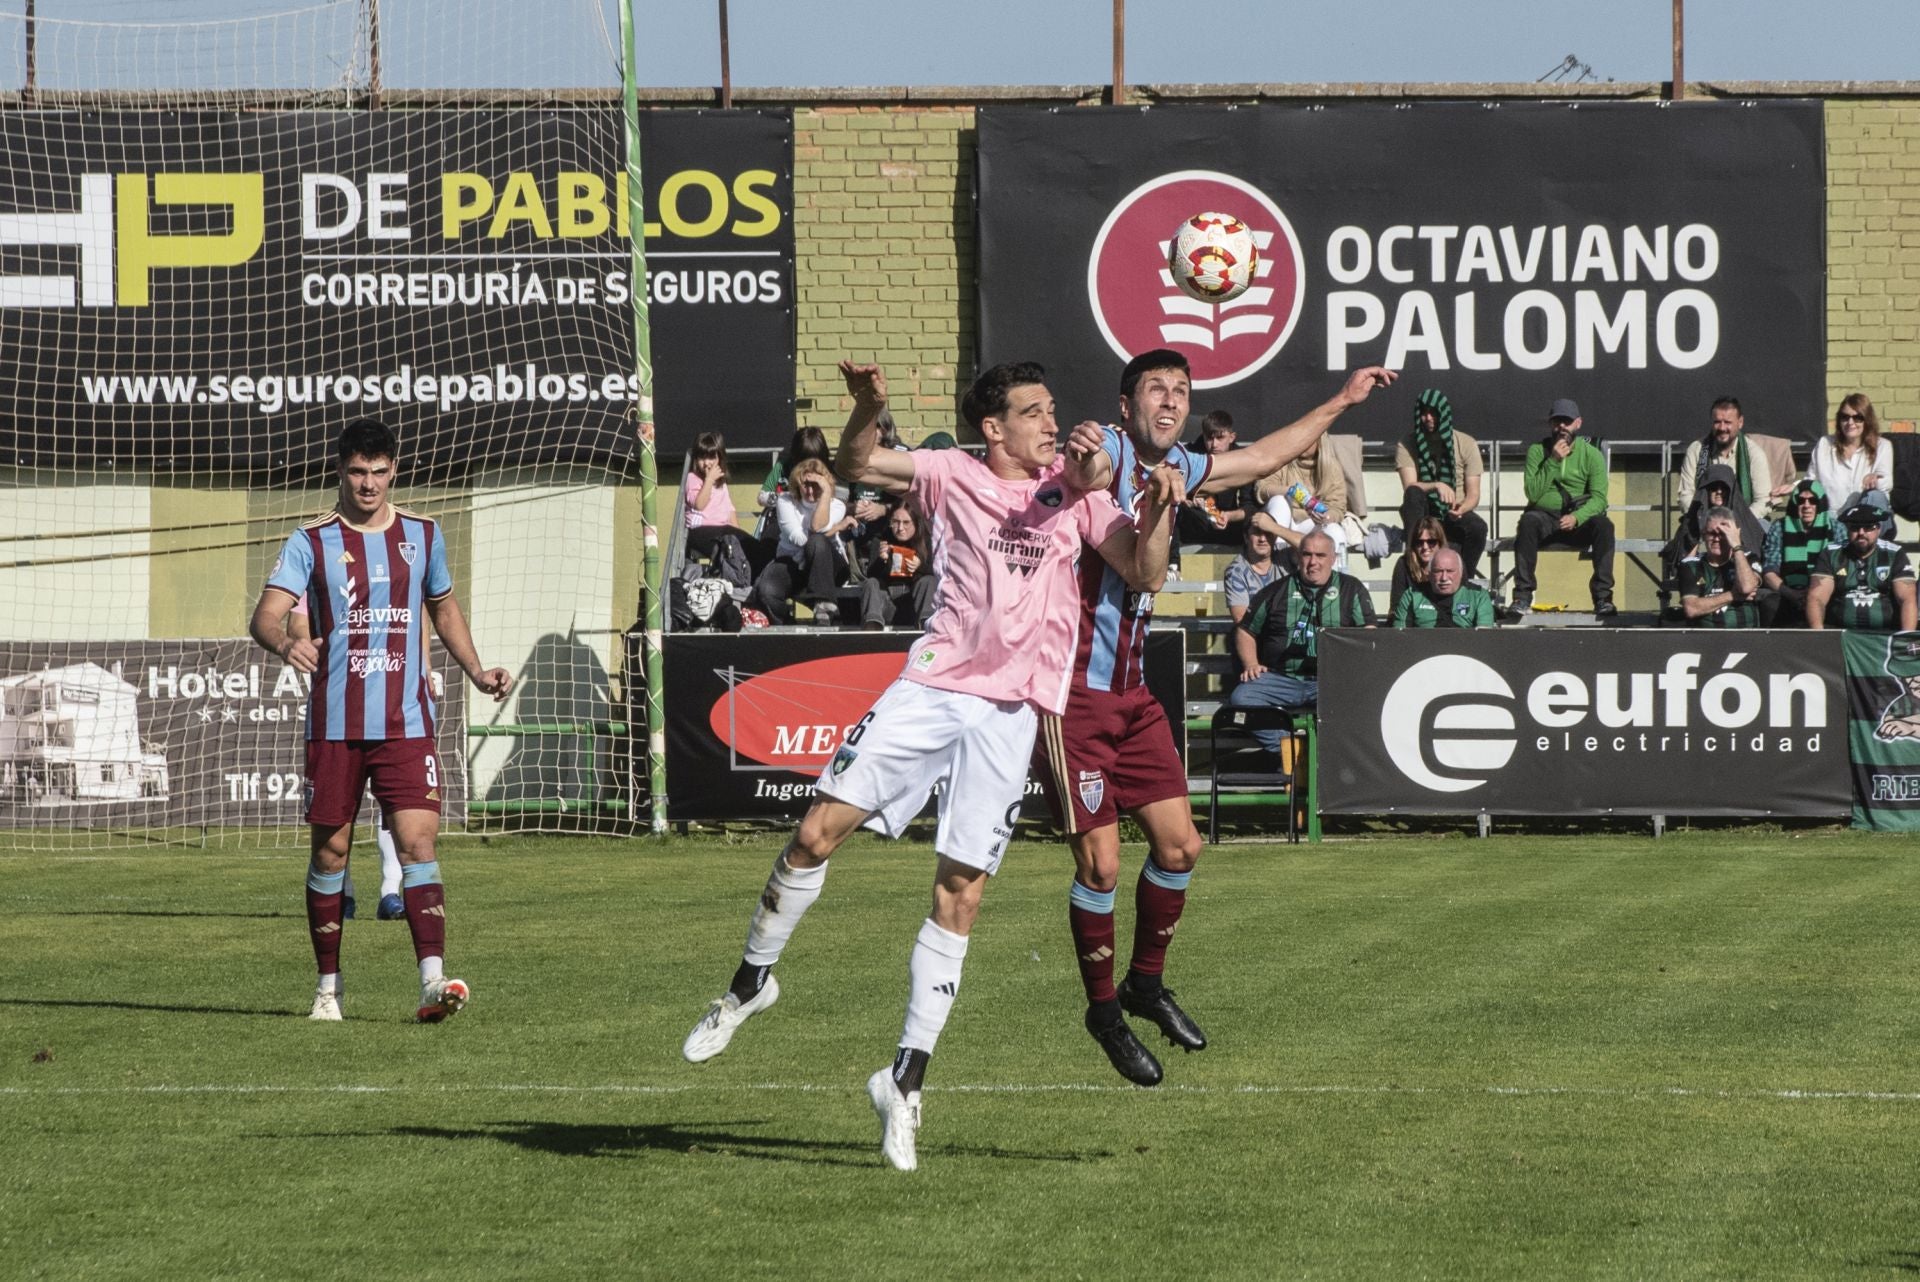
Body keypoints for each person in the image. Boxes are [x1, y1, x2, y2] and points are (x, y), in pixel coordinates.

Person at [680, 359, 1181, 1173]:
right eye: (1034, 412)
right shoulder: (951, 473)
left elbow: (1145, 570)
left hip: (1011, 714)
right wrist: (871, 406)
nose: (1051, 424)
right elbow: (854, 465)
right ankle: (748, 985)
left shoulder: (1078, 492)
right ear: (994, 428)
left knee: (962, 894)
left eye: (1052, 410)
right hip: (933, 688)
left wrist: (1155, 506)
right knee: (814, 835)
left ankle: (904, 1083)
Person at [1039, 354, 1394, 1086]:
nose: (1170, 402)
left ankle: (1144, 983)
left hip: (1132, 694)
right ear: (1125, 402)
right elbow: (1085, 471)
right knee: (1100, 863)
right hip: (1073, 696)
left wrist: (1343, 400)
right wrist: (1081, 459)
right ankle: (1103, 1011)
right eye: (1155, 390)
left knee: (1181, 849)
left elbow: (1268, 454)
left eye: (1181, 393)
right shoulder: (1110, 447)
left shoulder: (1183, 468)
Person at [249, 417, 513, 1024]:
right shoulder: (310, 541)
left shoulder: (423, 534)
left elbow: (443, 608)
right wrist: (286, 644)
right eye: (357, 471)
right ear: (340, 471)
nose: (368, 483)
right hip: (335, 724)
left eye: (378, 471)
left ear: (395, 470)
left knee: (419, 842)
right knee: (332, 855)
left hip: (407, 722)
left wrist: (475, 671)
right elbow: (266, 615)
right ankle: (327, 990)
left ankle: (432, 980)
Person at [290, 594, 405, 921]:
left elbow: (417, 615)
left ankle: (390, 892)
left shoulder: (391, 566)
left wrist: (422, 669)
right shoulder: (319, 565)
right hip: (338, 709)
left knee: (393, 806)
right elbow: (297, 621)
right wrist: (304, 643)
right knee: (338, 812)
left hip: (390, 705)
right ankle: (344, 893)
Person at [1230, 528, 1378, 750]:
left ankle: (1329, 756)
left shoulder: (1351, 589)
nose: (1313, 562)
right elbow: (1245, 630)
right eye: (1307, 554)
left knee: (1366, 698)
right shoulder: (1276, 591)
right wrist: (1251, 663)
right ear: (1298, 557)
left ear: (1333, 559)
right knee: (1242, 700)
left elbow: (1369, 633)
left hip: (1331, 681)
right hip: (1281, 679)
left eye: (1320, 556)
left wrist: (1352, 669)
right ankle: (1292, 751)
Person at [1505, 398, 1616, 621]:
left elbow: (1599, 499)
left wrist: (1577, 517)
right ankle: (1523, 596)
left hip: (1577, 518)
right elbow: (1533, 494)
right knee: (1527, 522)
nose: (1562, 427)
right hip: (1544, 517)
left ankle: (1603, 598)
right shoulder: (1538, 451)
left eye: (1566, 421)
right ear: (1550, 424)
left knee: (1604, 526)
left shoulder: (1591, 454)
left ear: (1578, 423)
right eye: (1557, 422)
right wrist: (1553, 460)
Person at [749, 457, 856, 626]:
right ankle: (786, 623)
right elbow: (796, 537)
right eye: (806, 484)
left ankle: (824, 606)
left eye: (816, 485)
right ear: (797, 484)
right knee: (767, 590)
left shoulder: (837, 505)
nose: (811, 491)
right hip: (792, 562)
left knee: (817, 542)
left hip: (828, 563)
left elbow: (816, 527)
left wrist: (826, 494)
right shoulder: (785, 500)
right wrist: (833, 529)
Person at [1394, 388, 1487, 581]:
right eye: (1424, 412)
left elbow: (1474, 495)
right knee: (1413, 494)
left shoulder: (1466, 443)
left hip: (1454, 511)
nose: (1428, 418)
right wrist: (1436, 485)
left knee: (1478, 528)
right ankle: (1415, 567)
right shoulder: (1407, 443)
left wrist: (1461, 509)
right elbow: (1410, 486)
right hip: (1423, 512)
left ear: (1443, 414)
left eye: (1433, 412)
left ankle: (1463, 580)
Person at [1806, 500, 1918, 632]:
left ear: (1878, 528)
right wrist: (1819, 637)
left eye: (1868, 527)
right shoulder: (1831, 553)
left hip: (1885, 633)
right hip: (1840, 634)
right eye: (1854, 527)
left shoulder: (1894, 554)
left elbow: (1907, 600)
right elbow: (1816, 598)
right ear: (1847, 529)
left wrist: (1905, 639)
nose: (1861, 533)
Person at [1676, 396, 1776, 520]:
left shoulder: (1754, 454)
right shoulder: (1696, 450)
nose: (1722, 428)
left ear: (1740, 422)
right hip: (1702, 521)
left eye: (1728, 422)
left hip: (1744, 521)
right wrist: (1706, 520)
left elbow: (1763, 501)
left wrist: (1736, 522)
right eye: (1717, 422)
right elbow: (1686, 496)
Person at [1252, 434, 1350, 560]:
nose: (1302, 444)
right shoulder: (1282, 460)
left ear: (1320, 443)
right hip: (1283, 523)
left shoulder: (1332, 467)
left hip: (1312, 524)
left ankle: (1335, 576)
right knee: (1279, 500)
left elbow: (1338, 506)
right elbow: (1262, 488)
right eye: (1300, 439)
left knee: (1335, 531)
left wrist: (1326, 517)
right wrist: (1290, 491)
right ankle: (1277, 561)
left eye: (1308, 440)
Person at [1811, 394, 1895, 532]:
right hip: (1834, 518)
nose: (1850, 422)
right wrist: (1793, 487)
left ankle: (1868, 545)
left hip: (1870, 518)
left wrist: (1875, 479)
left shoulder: (1883, 446)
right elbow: (1811, 481)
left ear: (1867, 420)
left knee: (1875, 495)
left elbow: (1886, 483)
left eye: (1857, 418)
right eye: (1845, 417)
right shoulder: (1824, 444)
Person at [1762, 478, 1836, 626]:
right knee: (1769, 602)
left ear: (1820, 503)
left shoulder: (1836, 528)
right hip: (1789, 592)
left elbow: (1841, 569)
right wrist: (1791, 594)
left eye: (1812, 501)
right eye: (1801, 500)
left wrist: (1814, 596)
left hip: (1825, 593)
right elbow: (1769, 571)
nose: (1806, 506)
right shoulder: (1779, 527)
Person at [1174, 411, 1253, 546]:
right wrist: (1184, 499)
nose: (1214, 444)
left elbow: (1249, 508)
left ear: (1232, 437)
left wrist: (1226, 516)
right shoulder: (1189, 455)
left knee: (1258, 518)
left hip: (1231, 525)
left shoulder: (1244, 461)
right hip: (1196, 521)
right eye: (1209, 438)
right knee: (1171, 505)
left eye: (1220, 438)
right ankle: (1173, 564)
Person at [1677, 507, 1766, 628]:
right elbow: (1691, 608)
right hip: (1705, 641)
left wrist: (1736, 546)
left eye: (1723, 534)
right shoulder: (1691, 565)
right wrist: (1734, 595)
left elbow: (1746, 587)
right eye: (1712, 533)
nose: (1717, 539)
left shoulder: (1749, 559)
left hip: (1746, 638)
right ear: (1703, 534)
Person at [858, 501, 936, 629]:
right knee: (871, 583)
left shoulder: (927, 541)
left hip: (915, 604)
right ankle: (872, 627)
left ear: (916, 523)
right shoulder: (881, 540)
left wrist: (920, 566)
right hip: (887, 603)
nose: (900, 528)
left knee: (929, 581)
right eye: (895, 522)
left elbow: (939, 573)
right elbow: (871, 575)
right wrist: (881, 560)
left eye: (906, 522)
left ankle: (926, 625)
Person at [1392, 547, 1494, 628]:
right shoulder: (1412, 595)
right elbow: (1400, 636)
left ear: (1461, 572)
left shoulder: (1478, 596)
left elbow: (1483, 638)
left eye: (1450, 571)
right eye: (1438, 571)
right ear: (1429, 574)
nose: (1444, 578)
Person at [1223, 520, 1287, 626]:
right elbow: (1242, 620)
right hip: (1260, 635)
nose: (1262, 539)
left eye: (1268, 533)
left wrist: (1276, 528)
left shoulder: (1285, 553)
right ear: (1246, 537)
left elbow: (1316, 547)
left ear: (1275, 537)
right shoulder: (1236, 571)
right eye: (1257, 533)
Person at [1389, 516, 1449, 602]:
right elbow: (1396, 604)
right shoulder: (1403, 565)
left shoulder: (1453, 563)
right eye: (1419, 542)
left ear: (1440, 543)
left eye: (1431, 542)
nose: (1425, 547)